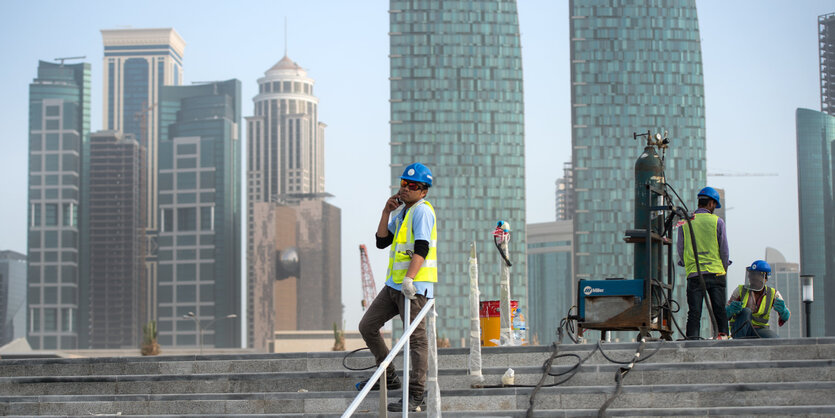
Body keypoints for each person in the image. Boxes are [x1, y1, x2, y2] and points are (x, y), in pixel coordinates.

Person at [357, 162, 437, 413]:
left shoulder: (422, 211)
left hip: (413, 287)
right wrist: (386, 212)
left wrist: (410, 280)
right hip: (393, 286)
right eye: (403, 183)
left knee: (416, 339)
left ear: (423, 191)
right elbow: (382, 242)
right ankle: (389, 376)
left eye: (412, 186)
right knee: (367, 326)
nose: (405, 189)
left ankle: (416, 395)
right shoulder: (403, 213)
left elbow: (422, 248)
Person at [677, 186, 731, 339]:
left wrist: (687, 264)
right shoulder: (717, 222)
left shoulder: (685, 222)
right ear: (711, 204)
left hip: (694, 274)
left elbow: (680, 249)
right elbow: (724, 250)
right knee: (719, 309)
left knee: (694, 312)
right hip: (716, 272)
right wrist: (724, 269)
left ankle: (692, 342)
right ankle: (723, 338)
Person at [726, 260, 790, 338]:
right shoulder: (740, 290)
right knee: (746, 311)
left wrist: (783, 311)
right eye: (752, 274)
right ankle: (739, 343)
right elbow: (725, 314)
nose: (753, 278)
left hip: (760, 329)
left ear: (765, 278)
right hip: (740, 329)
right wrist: (730, 310)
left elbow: (786, 316)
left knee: (775, 340)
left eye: (757, 275)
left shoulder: (773, 294)